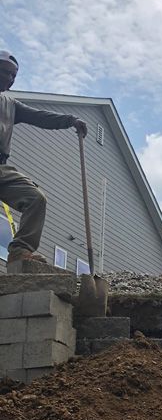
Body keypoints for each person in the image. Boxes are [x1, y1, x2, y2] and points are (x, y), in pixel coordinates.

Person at [0, 50, 87, 268]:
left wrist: (70, 120)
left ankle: (20, 251)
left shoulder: (10, 105)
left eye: (14, 76)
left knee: (35, 198)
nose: (10, 79)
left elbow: (39, 116)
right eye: (6, 73)